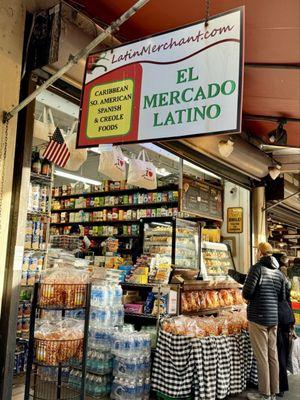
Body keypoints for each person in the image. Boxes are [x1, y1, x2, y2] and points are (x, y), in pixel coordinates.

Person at [243, 242, 285, 400]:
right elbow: (282, 297)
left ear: (259, 253)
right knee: (272, 356)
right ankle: (273, 392)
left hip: (258, 318)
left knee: (262, 357)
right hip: (273, 318)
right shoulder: (279, 272)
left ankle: (264, 394)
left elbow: (247, 293)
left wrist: (251, 298)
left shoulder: (257, 268)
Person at [276, 256, 295, 397]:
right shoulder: (285, 279)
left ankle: (280, 386)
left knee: (279, 353)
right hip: (287, 317)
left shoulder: (277, 278)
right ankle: (282, 385)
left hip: (279, 318)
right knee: (282, 352)